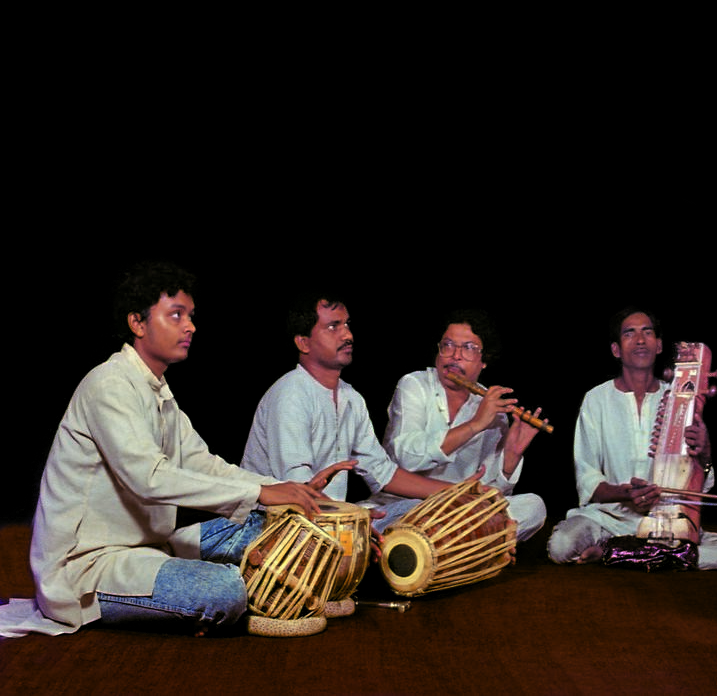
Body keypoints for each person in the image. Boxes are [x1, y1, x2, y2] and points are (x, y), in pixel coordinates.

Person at [0, 262, 340, 638]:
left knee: (272, 525)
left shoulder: (159, 394)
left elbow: (205, 464)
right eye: (176, 315)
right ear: (138, 323)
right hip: (89, 565)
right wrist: (260, 492)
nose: (190, 326)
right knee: (223, 590)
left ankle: (267, 580)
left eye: (190, 316)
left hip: (152, 548)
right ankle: (254, 588)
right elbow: (148, 479)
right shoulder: (108, 385)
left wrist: (288, 491)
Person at [546, 308, 717, 570]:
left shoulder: (680, 401)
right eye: (630, 333)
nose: (640, 340)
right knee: (561, 546)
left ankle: (617, 553)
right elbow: (588, 478)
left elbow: (699, 487)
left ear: (659, 345)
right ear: (616, 349)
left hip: (667, 519)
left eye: (647, 332)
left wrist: (705, 453)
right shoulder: (596, 399)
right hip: (608, 519)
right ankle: (655, 555)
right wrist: (625, 494)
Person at [241, 296, 456, 534]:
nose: (348, 335)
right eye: (333, 326)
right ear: (303, 343)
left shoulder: (351, 398)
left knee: (426, 510)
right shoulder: (291, 394)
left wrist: (455, 492)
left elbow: (383, 473)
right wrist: (351, 519)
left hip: (333, 518)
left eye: (347, 325)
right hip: (275, 526)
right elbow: (298, 488)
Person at [380, 310, 547, 542]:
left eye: (468, 348)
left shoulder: (493, 409)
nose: (455, 356)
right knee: (389, 519)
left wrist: (511, 455)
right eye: (448, 345)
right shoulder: (414, 385)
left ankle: (446, 544)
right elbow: (407, 457)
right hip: (407, 507)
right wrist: (475, 424)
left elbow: (489, 493)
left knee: (534, 506)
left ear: (484, 360)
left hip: (458, 512)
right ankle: (471, 542)